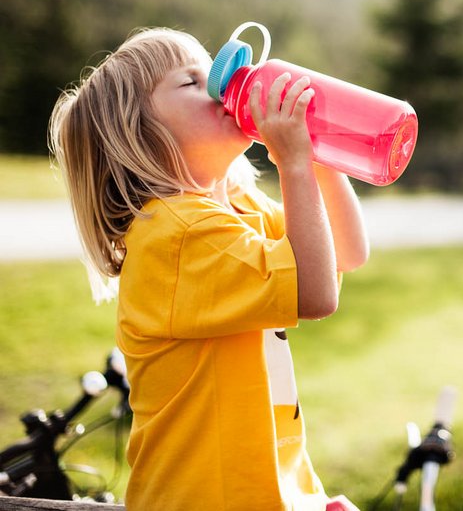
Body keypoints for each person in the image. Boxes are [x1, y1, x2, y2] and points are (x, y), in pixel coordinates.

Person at [49, 27, 369, 511]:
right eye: (192, 82)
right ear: (142, 132)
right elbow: (316, 294)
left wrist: (319, 147)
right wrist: (294, 164)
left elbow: (345, 253)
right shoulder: (176, 234)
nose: (224, 86)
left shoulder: (235, 205)